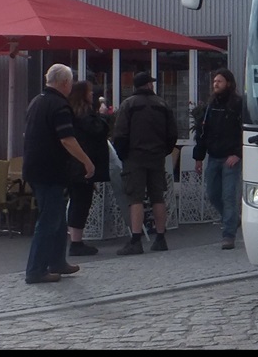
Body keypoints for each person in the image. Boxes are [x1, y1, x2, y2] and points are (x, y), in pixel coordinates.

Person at [23, 64, 96, 284]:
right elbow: (66, 139)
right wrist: (87, 161)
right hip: (50, 170)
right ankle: (35, 270)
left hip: (34, 167)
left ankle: (57, 261)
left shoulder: (37, 101)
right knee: (48, 220)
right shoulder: (59, 106)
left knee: (58, 219)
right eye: (71, 82)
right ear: (65, 83)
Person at [112, 71, 179, 256]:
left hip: (134, 157)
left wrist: (123, 154)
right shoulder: (162, 104)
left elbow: (120, 134)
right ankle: (160, 237)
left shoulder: (128, 105)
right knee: (158, 196)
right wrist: (163, 150)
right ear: (148, 85)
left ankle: (136, 240)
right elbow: (173, 133)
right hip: (157, 156)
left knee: (136, 198)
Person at [192, 69, 243, 250]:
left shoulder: (238, 104)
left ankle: (228, 234)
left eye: (219, 81)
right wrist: (199, 157)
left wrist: (238, 153)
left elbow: (243, 131)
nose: (215, 84)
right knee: (213, 194)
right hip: (214, 157)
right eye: (214, 81)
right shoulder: (210, 106)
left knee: (229, 196)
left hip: (231, 158)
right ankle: (232, 219)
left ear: (228, 83)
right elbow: (203, 132)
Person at [65, 79, 111, 257]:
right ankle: (76, 242)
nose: (92, 94)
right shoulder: (85, 115)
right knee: (81, 202)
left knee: (79, 200)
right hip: (82, 166)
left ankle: (75, 239)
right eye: (89, 92)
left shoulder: (72, 113)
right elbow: (98, 131)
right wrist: (102, 115)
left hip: (74, 165)